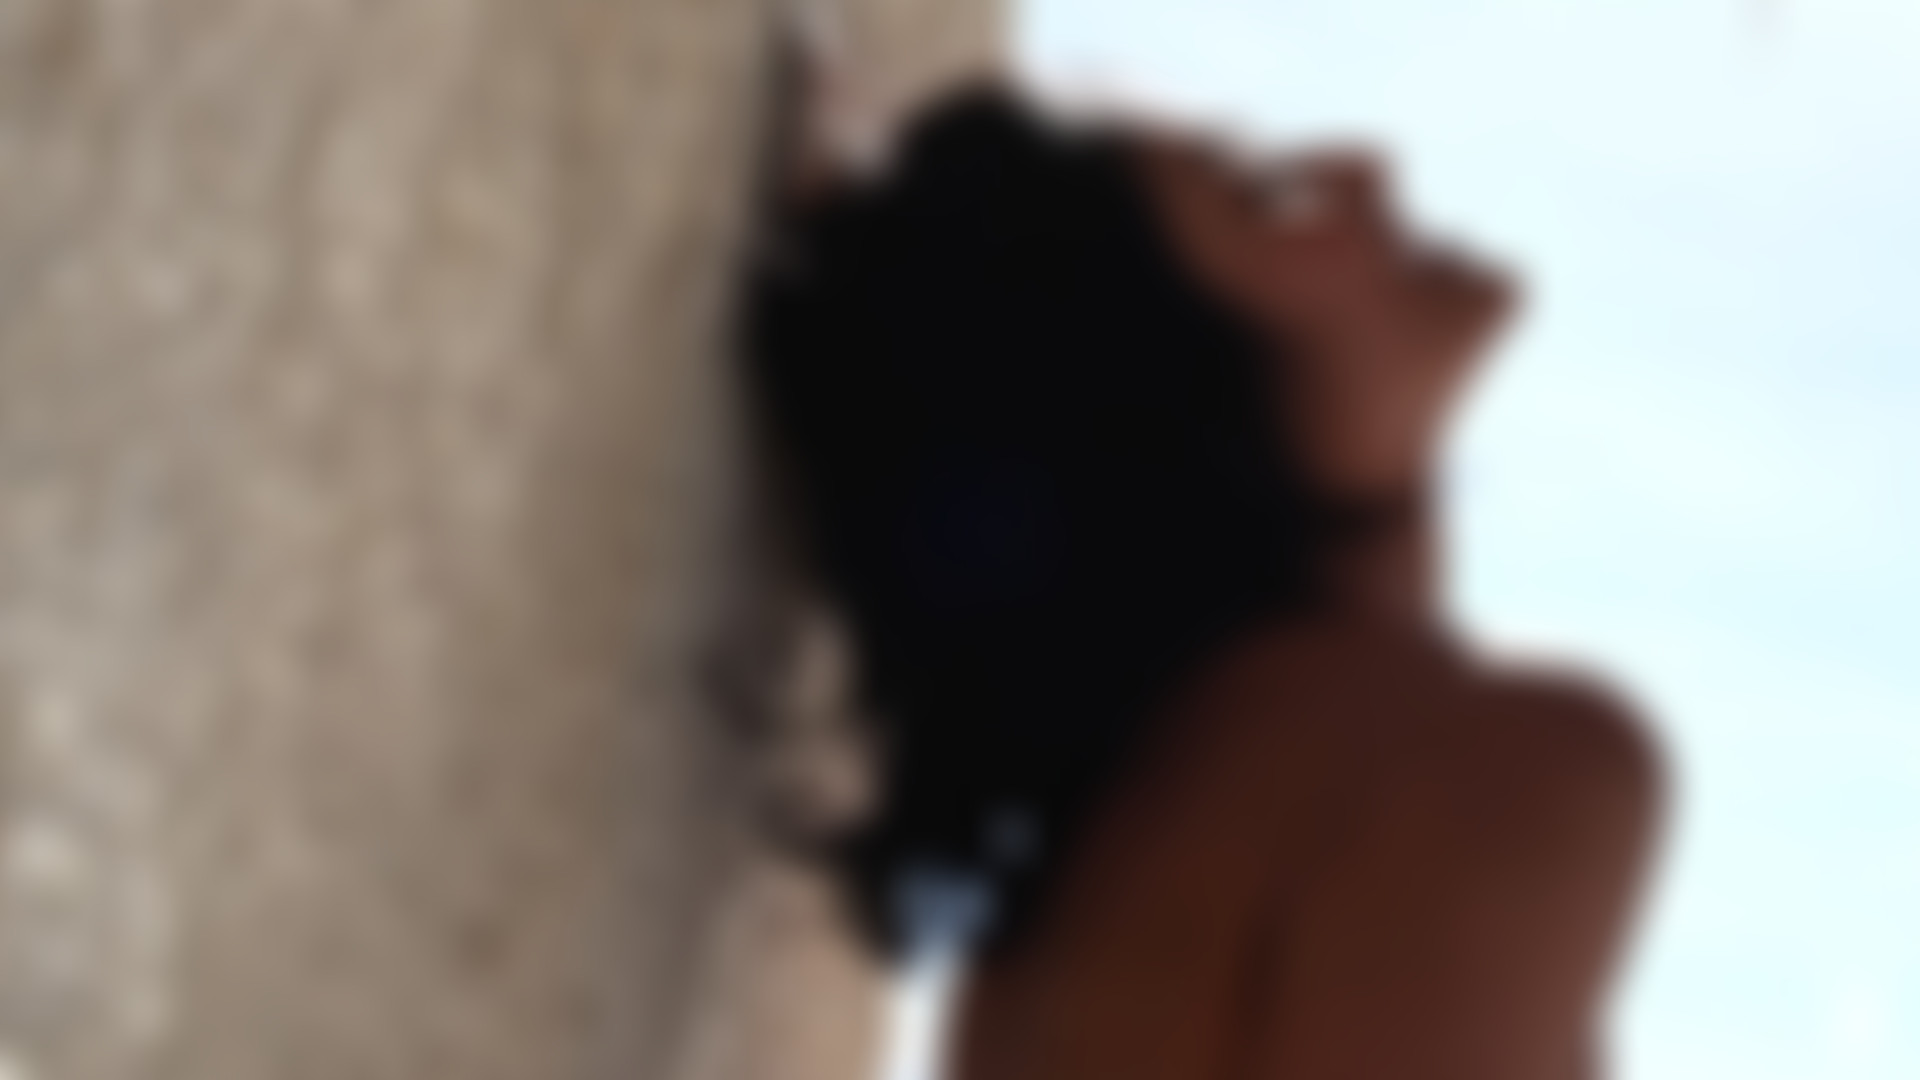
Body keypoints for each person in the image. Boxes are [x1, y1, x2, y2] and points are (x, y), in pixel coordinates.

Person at [745, 81, 1666, 1080]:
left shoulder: (1177, 850)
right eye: (1264, 199)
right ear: (1157, 419)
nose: (1366, 168)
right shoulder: (1505, 779)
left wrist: (1371, 489)